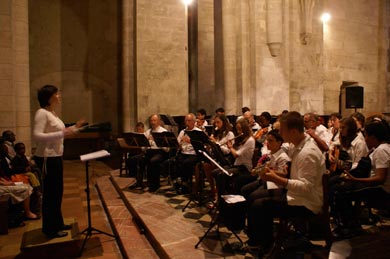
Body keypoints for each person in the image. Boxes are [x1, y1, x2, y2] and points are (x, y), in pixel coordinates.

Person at [246, 111, 325, 256]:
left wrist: (275, 179)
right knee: (255, 198)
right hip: (296, 195)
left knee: (259, 205)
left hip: (306, 202)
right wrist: (275, 174)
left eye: (282, 130)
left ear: (293, 131)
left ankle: (265, 244)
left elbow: (306, 187)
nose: (280, 134)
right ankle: (260, 240)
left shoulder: (308, 152)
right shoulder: (297, 146)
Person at [33, 84, 84, 238]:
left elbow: (61, 132)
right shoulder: (42, 113)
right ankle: (50, 229)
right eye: (56, 94)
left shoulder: (52, 113)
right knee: (50, 194)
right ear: (49, 97)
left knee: (57, 192)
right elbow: (37, 135)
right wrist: (63, 133)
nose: (59, 96)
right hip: (47, 158)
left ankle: (58, 223)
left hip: (55, 156)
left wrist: (75, 128)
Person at [331, 119, 390, 238]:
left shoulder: (382, 150)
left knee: (341, 191)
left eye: (367, 136)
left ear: (373, 137)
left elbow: (380, 178)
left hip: (381, 190)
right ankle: (347, 223)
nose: (365, 139)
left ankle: (350, 226)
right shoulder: (381, 148)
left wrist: (355, 180)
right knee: (338, 185)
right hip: (375, 185)